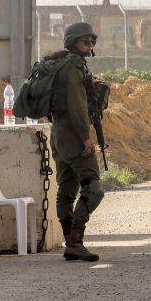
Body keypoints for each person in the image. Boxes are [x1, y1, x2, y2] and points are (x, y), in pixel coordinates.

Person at [47, 22, 106, 262]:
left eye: (92, 41)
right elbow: (77, 106)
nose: (90, 45)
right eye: (85, 41)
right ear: (73, 43)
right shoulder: (73, 66)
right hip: (73, 135)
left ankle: (70, 243)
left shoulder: (63, 64)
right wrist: (85, 138)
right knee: (93, 189)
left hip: (59, 134)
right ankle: (75, 241)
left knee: (68, 188)